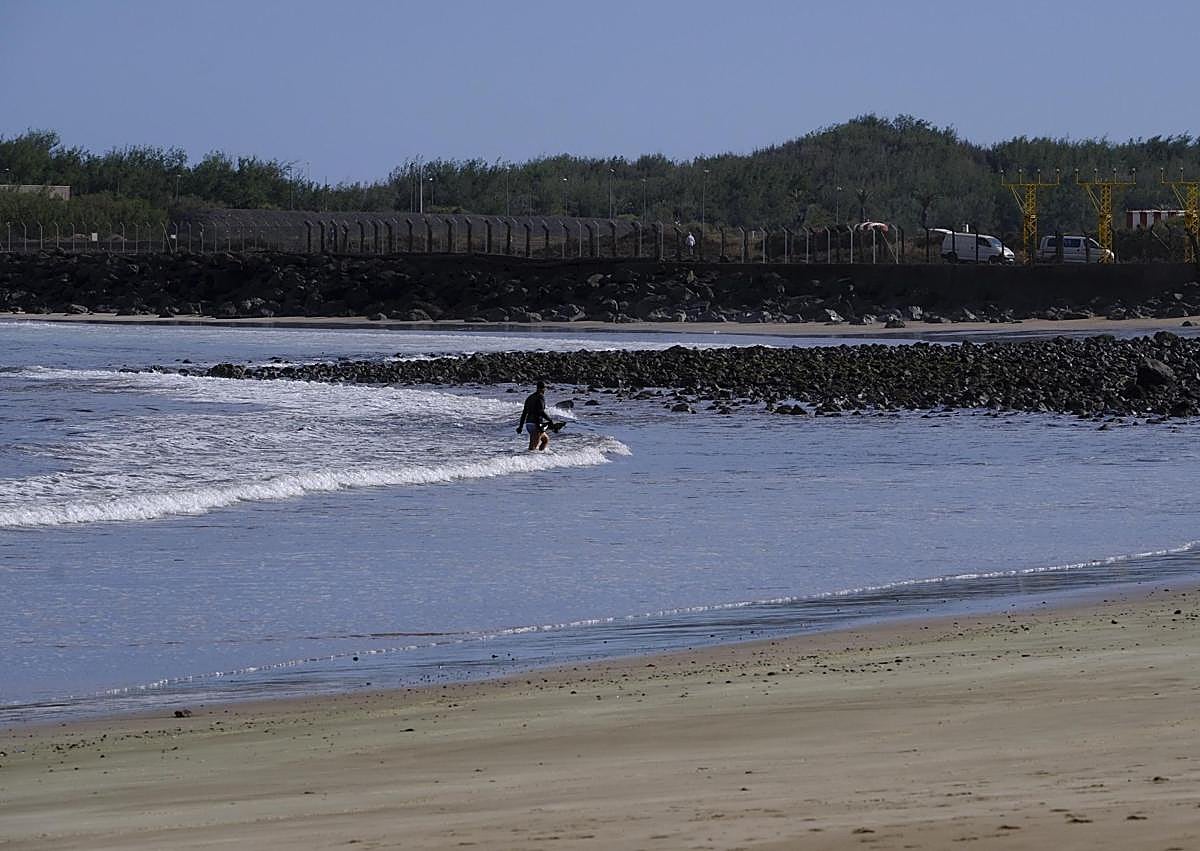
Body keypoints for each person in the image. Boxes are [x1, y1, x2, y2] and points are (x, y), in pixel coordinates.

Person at [517, 381, 556, 451]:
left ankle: (539, 459)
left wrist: (520, 427)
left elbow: (524, 413)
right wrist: (550, 420)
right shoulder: (541, 397)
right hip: (536, 424)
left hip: (528, 424)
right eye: (545, 389)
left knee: (545, 440)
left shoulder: (529, 398)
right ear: (543, 389)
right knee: (532, 448)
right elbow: (540, 411)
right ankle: (527, 460)